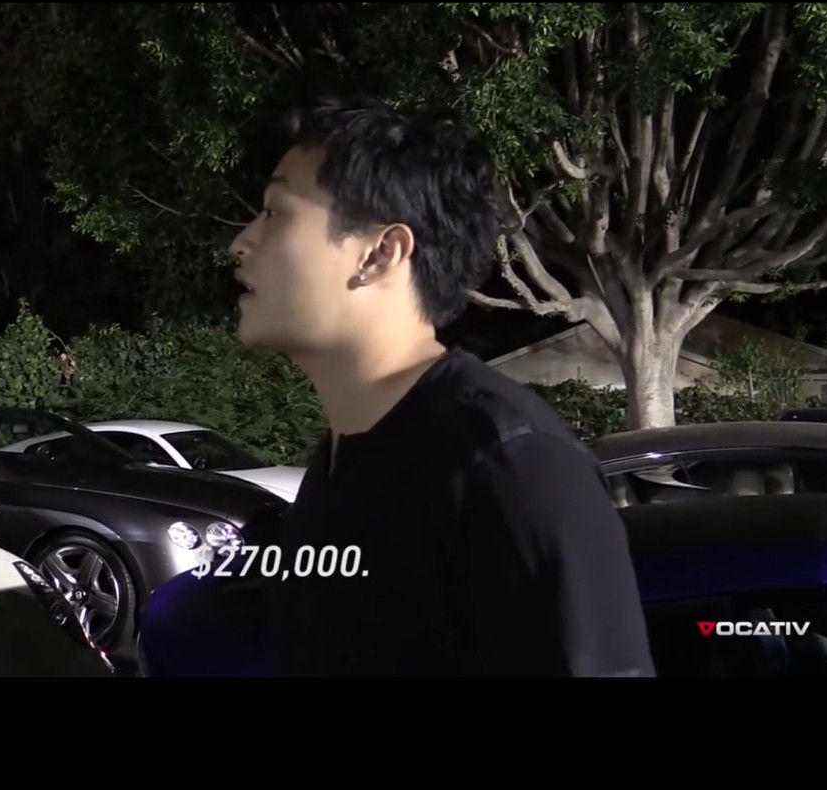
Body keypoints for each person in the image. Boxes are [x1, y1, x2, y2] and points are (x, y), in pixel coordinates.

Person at [218, 97, 655, 677]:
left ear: (381, 253)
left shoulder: (510, 466)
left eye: (275, 212)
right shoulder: (336, 469)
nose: (241, 242)